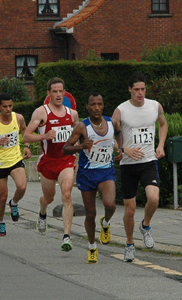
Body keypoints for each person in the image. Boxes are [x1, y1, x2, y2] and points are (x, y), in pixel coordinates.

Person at [111, 72, 168, 262]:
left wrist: (160, 145)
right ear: (130, 90)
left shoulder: (154, 106)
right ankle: (129, 244)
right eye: (136, 90)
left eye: (143, 89)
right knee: (129, 209)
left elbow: (163, 124)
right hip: (128, 165)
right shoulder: (121, 110)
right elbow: (110, 133)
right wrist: (124, 149)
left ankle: (145, 225)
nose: (140, 93)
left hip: (148, 161)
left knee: (153, 198)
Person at [62, 92, 123, 264]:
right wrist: (81, 146)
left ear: (103, 105)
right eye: (93, 104)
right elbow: (65, 149)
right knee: (90, 214)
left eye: (99, 104)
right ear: (87, 107)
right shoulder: (82, 127)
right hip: (87, 174)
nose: (96, 108)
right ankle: (92, 247)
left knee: (110, 204)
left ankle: (106, 222)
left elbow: (119, 133)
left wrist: (121, 149)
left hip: (106, 171)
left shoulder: (112, 122)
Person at [23, 77, 79, 252]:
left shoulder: (72, 114)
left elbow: (78, 135)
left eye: (61, 91)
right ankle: (42, 212)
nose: (58, 95)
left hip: (65, 161)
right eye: (54, 91)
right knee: (49, 198)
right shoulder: (41, 113)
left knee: (67, 195)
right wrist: (44, 137)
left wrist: (77, 151)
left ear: (65, 93)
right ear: (49, 93)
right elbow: (26, 136)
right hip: (48, 162)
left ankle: (66, 236)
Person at [0, 93, 32, 236]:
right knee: (2, 196)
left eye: (10, 106)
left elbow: (25, 131)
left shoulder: (18, 118)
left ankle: (14, 203)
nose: (8, 109)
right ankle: (1, 222)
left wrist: (26, 146)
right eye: (5, 106)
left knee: (22, 186)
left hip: (15, 159)